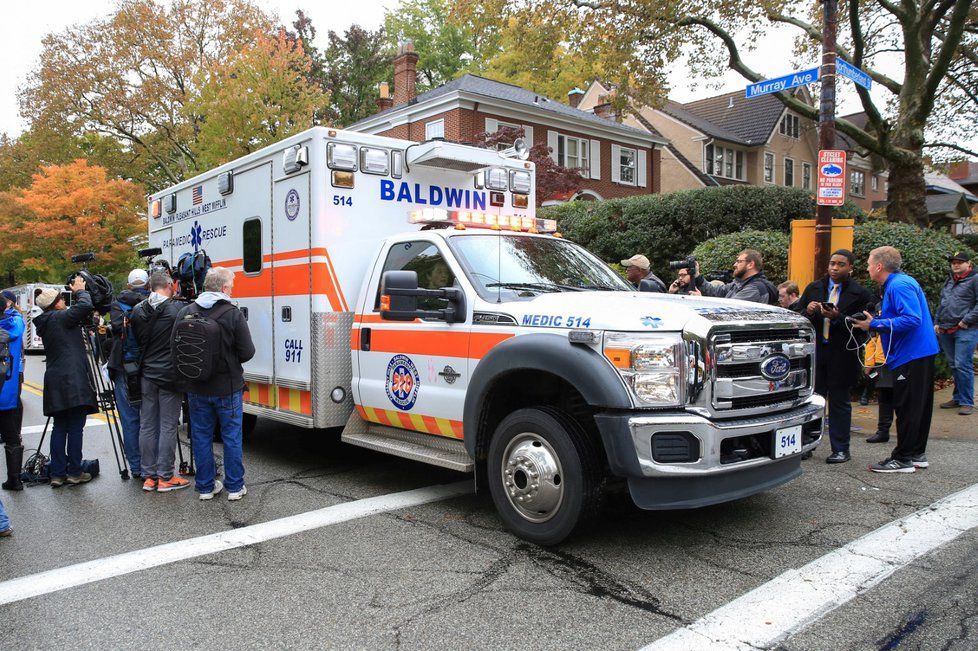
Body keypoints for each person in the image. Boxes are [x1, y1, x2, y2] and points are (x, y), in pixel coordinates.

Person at [852, 246, 940, 473]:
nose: (868, 268)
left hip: (911, 353)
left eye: (870, 263)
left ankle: (902, 459)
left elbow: (912, 319)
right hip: (919, 352)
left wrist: (875, 324)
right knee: (918, 405)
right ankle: (916, 453)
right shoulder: (902, 282)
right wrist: (879, 319)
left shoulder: (898, 285)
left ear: (879, 266)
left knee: (907, 406)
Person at [176, 268, 255, 501]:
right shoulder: (232, 313)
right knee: (231, 436)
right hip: (227, 386)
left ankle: (205, 487)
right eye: (231, 285)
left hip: (196, 386)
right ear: (223, 288)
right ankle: (234, 487)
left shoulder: (186, 311)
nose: (232, 289)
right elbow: (248, 351)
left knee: (200, 436)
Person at [798, 249, 874, 464]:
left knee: (840, 403)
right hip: (817, 353)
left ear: (850, 267)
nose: (834, 268)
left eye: (840, 264)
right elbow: (798, 314)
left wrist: (838, 317)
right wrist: (809, 311)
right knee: (814, 401)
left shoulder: (860, 293)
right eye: (832, 263)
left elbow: (863, 326)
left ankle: (841, 449)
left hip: (842, 355)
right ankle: (807, 444)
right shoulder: (815, 287)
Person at [33, 278, 99, 487]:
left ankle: (57, 474)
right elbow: (85, 306)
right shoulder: (62, 318)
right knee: (76, 427)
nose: (64, 301)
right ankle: (75, 472)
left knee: (60, 426)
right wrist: (80, 291)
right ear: (56, 303)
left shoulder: (45, 322)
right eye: (62, 298)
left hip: (54, 379)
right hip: (73, 379)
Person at [131, 272, 188, 492]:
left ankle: (148, 475)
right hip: (169, 374)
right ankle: (165, 476)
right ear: (169, 285)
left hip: (146, 373)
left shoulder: (137, 311)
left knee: (147, 424)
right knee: (167, 424)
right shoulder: (176, 311)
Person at [107, 269, 150, 478]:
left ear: (129, 284)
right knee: (151, 419)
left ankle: (136, 467)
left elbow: (115, 329)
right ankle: (153, 465)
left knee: (130, 419)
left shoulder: (117, 303)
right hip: (149, 367)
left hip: (124, 367)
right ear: (148, 284)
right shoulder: (153, 302)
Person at [934, 251, 978, 416]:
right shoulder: (950, 279)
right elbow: (943, 302)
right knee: (954, 365)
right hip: (945, 328)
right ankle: (958, 397)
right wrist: (937, 321)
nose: (956, 264)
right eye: (953, 262)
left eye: (960, 262)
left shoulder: (975, 279)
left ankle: (967, 402)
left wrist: (966, 320)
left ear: (969, 263)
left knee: (962, 364)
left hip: (966, 329)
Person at [0, 299, 25, 491]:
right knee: (12, 436)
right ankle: (15, 479)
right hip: (8, 389)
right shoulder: (15, 324)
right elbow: (18, 316)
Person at [693, 250, 778, 304]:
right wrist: (697, 275)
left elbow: (730, 308)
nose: (735, 265)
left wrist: (701, 300)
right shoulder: (739, 283)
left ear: (750, 265)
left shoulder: (755, 288)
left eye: (739, 261)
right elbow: (716, 291)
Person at [863, 332, 894, 443]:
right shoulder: (879, 315)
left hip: (903, 360)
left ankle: (907, 434)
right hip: (882, 361)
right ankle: (883, 432)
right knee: (884, 398)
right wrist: (869, 362)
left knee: (904, 399)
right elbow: (872, 339)